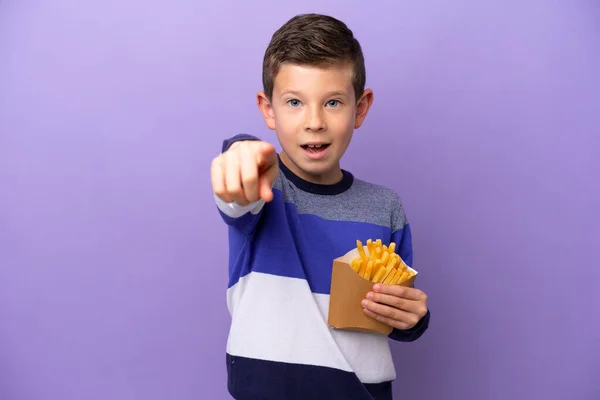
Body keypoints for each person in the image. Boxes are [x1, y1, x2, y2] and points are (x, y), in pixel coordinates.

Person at [210, 13, 430, 400]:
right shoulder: (262, 187)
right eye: (294, 102)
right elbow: (241, 178)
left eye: (332, 102)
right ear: (268, 109)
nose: (314, 122)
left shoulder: (385, 207)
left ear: (360, 109)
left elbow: (396, 305)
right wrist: (240, 150)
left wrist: (412, 320)